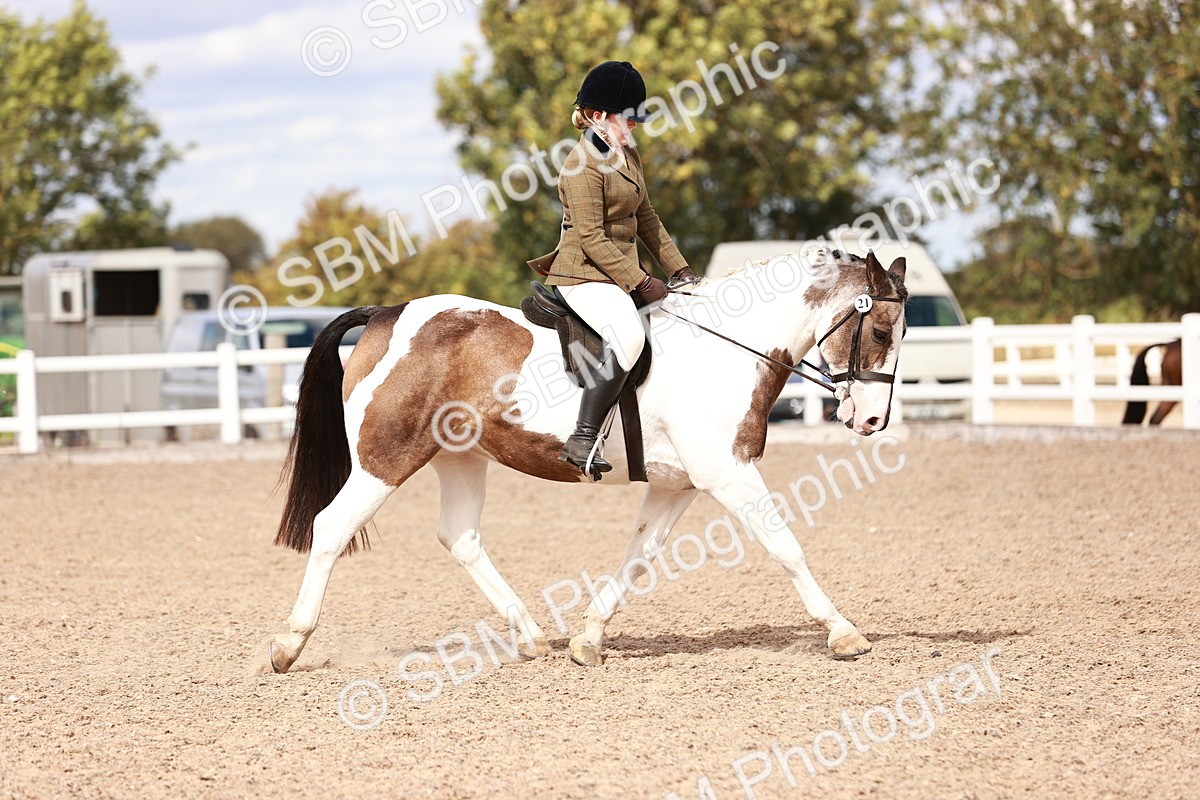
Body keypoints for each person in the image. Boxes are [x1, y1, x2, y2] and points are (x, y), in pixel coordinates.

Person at [528, 60, 699, 479]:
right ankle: (583, 437)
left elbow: (648, 220)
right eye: (629, 118)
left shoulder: (628, 156)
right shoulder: (580, 164)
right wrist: (639, 280)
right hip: (581, 275)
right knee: (627, 333)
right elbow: (590, 238)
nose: (635, 127)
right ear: (598, 115)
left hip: (614, 273)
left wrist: (681, 272)